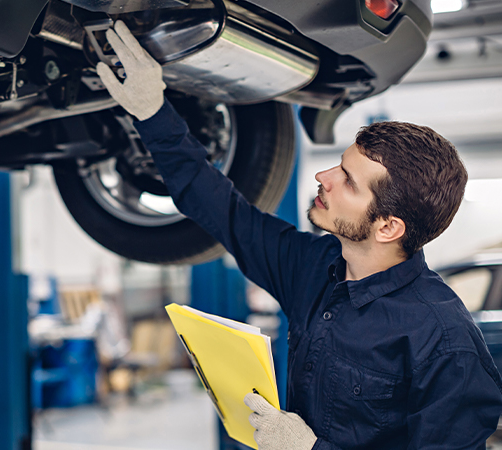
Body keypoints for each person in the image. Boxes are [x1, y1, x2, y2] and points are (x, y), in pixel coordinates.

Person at [96, 20, 502, 450]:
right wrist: (153, 113)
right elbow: (222, 210)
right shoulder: (314, 266)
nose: (323, 177)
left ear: (388, 226)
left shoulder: (444, 342)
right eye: (338, 165)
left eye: (348, 180)